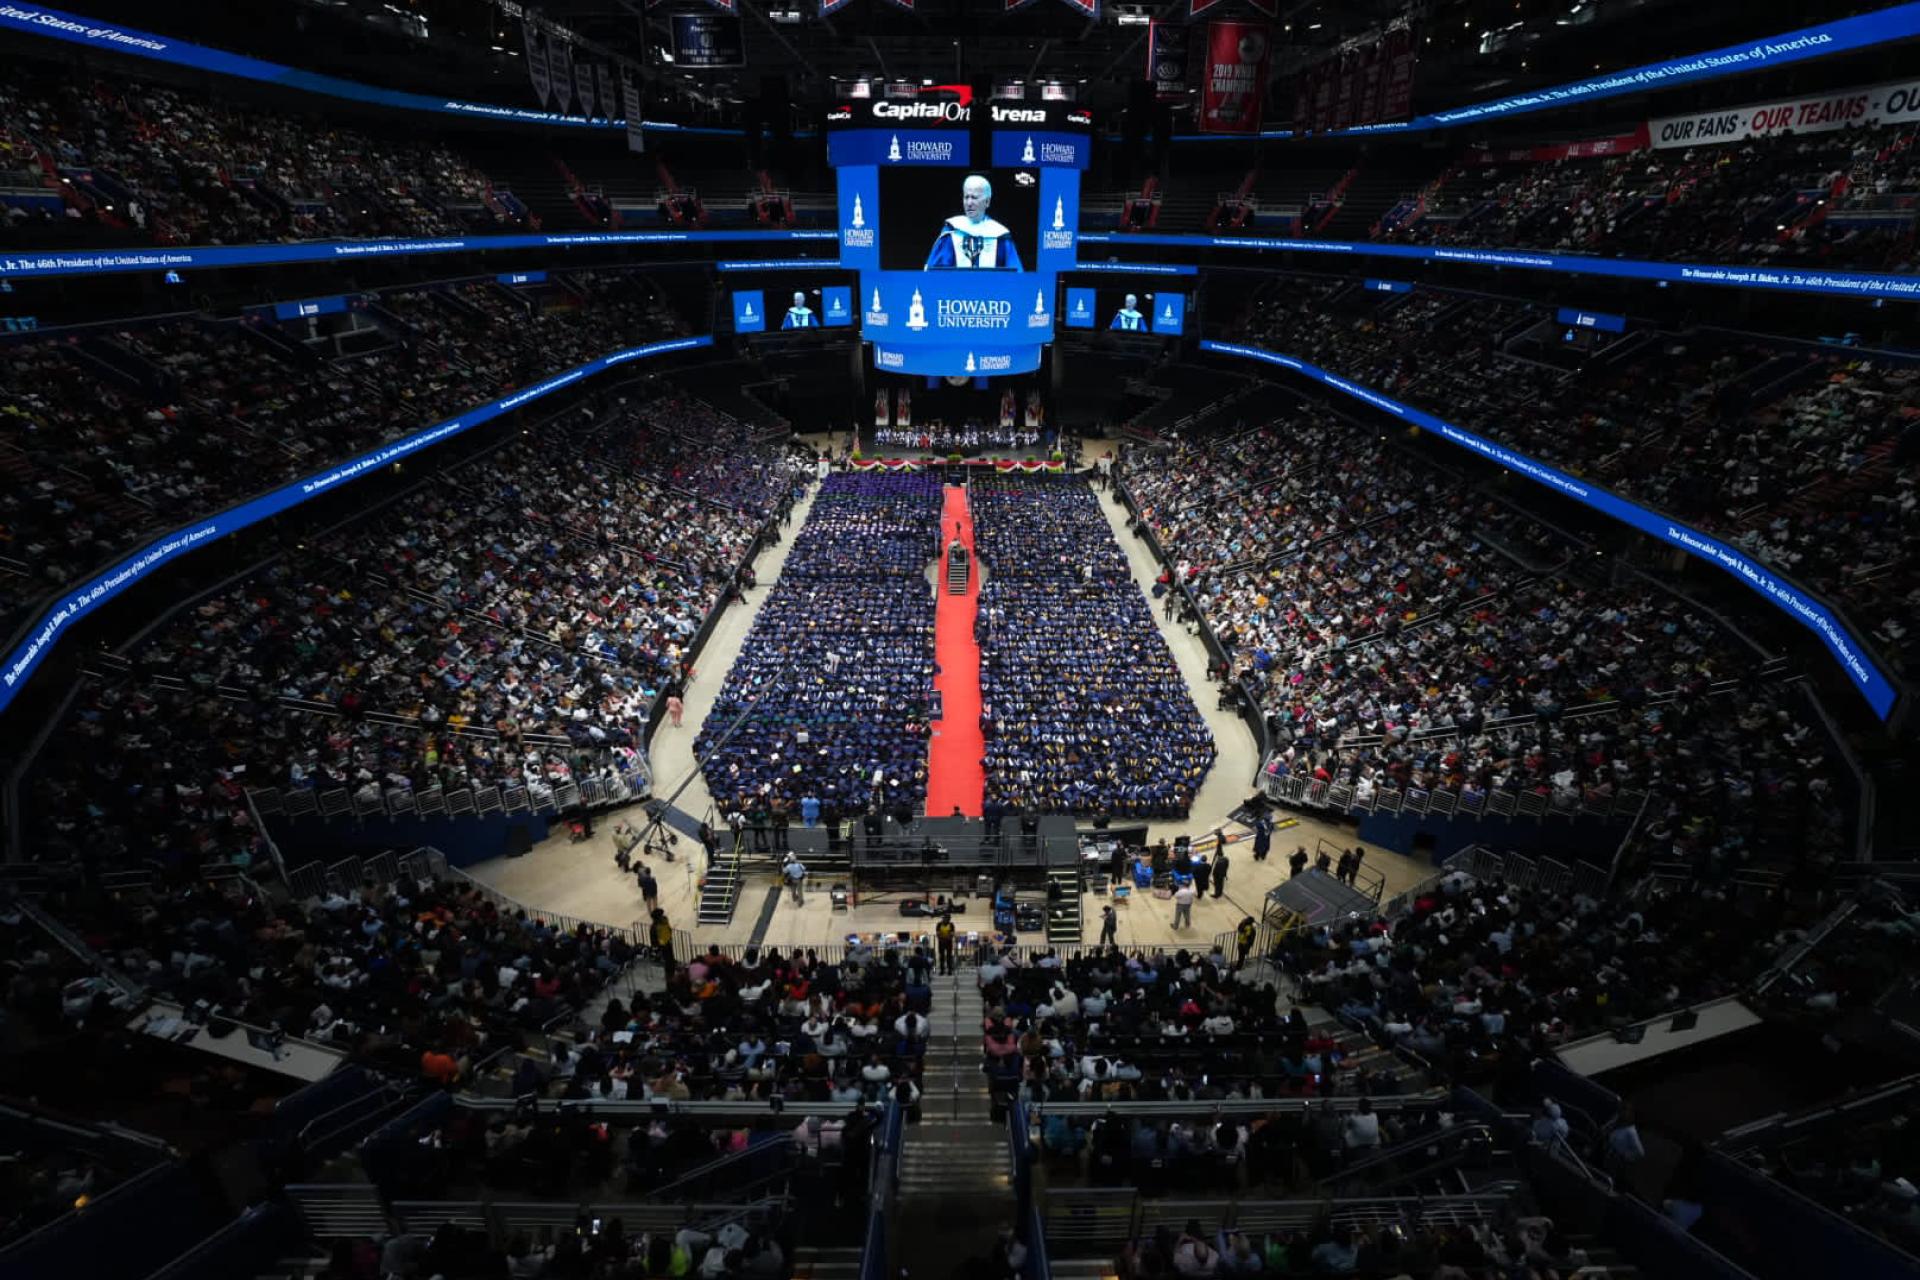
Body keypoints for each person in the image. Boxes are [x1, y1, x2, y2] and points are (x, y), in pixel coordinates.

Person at [924, 174, 1023, 270]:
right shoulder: (951, 231)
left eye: (974, 198)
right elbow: (935, 272)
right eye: (966, 197)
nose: (969, 203)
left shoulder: (1000, 235)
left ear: (987, 202)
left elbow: (1016, 276)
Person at [650, 910, 675, 978]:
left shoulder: (655, 926)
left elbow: (654, 938)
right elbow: (669, 931)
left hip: (663, 946)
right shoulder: (662, 923)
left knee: (668, 962)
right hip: (666, 945)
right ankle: (671, 975)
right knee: (669, 961)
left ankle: (669, 975)